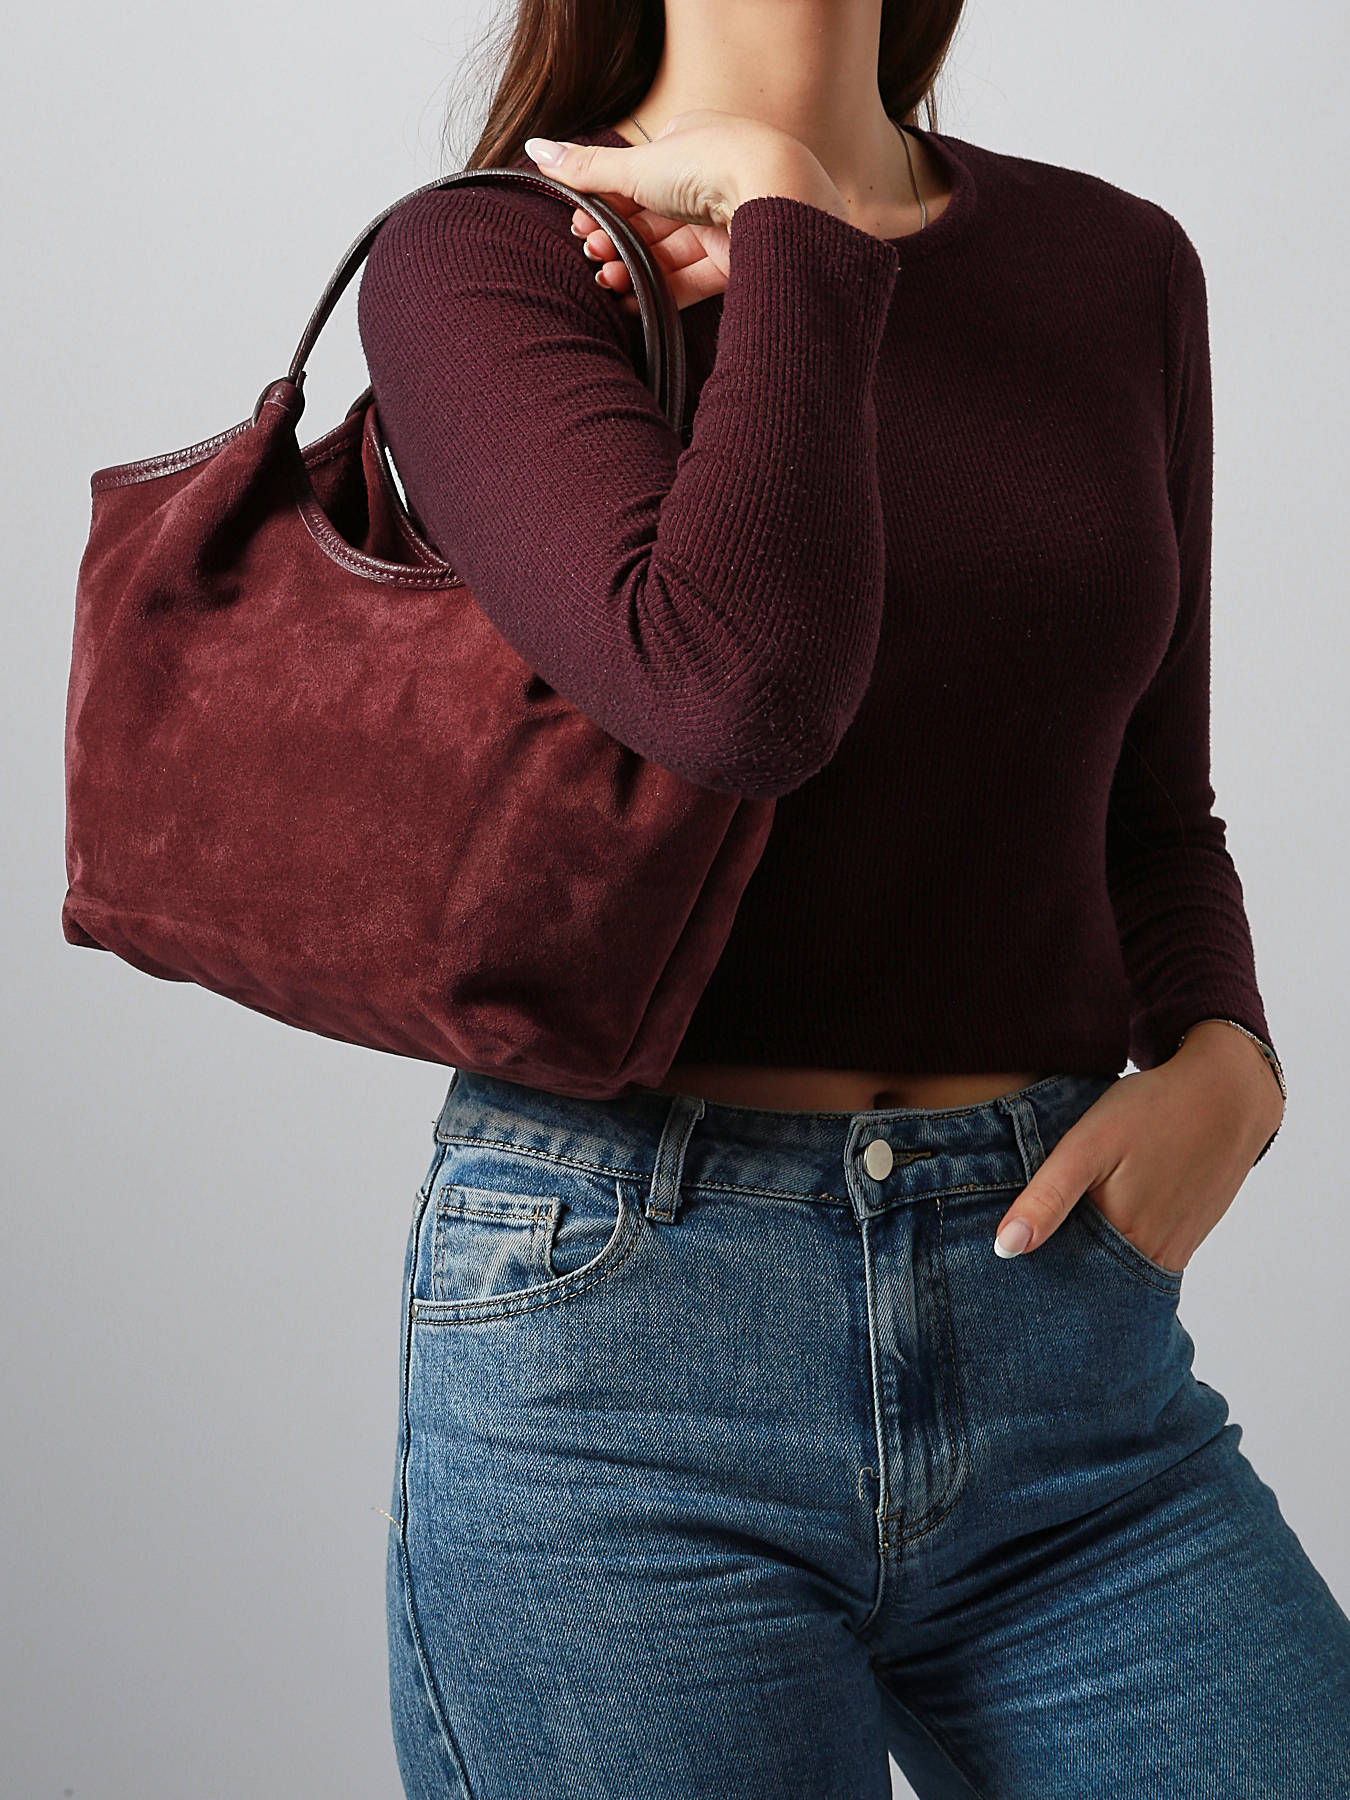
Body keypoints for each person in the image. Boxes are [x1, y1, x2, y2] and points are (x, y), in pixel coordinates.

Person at [356, 2, 1350, 1793]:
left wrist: (1232, 1062)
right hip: (625, 1360)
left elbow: (1150, 804)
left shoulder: (1112, 264)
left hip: (1063, 1353)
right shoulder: (493, 259)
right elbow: (735, 694)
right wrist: (797, 235)